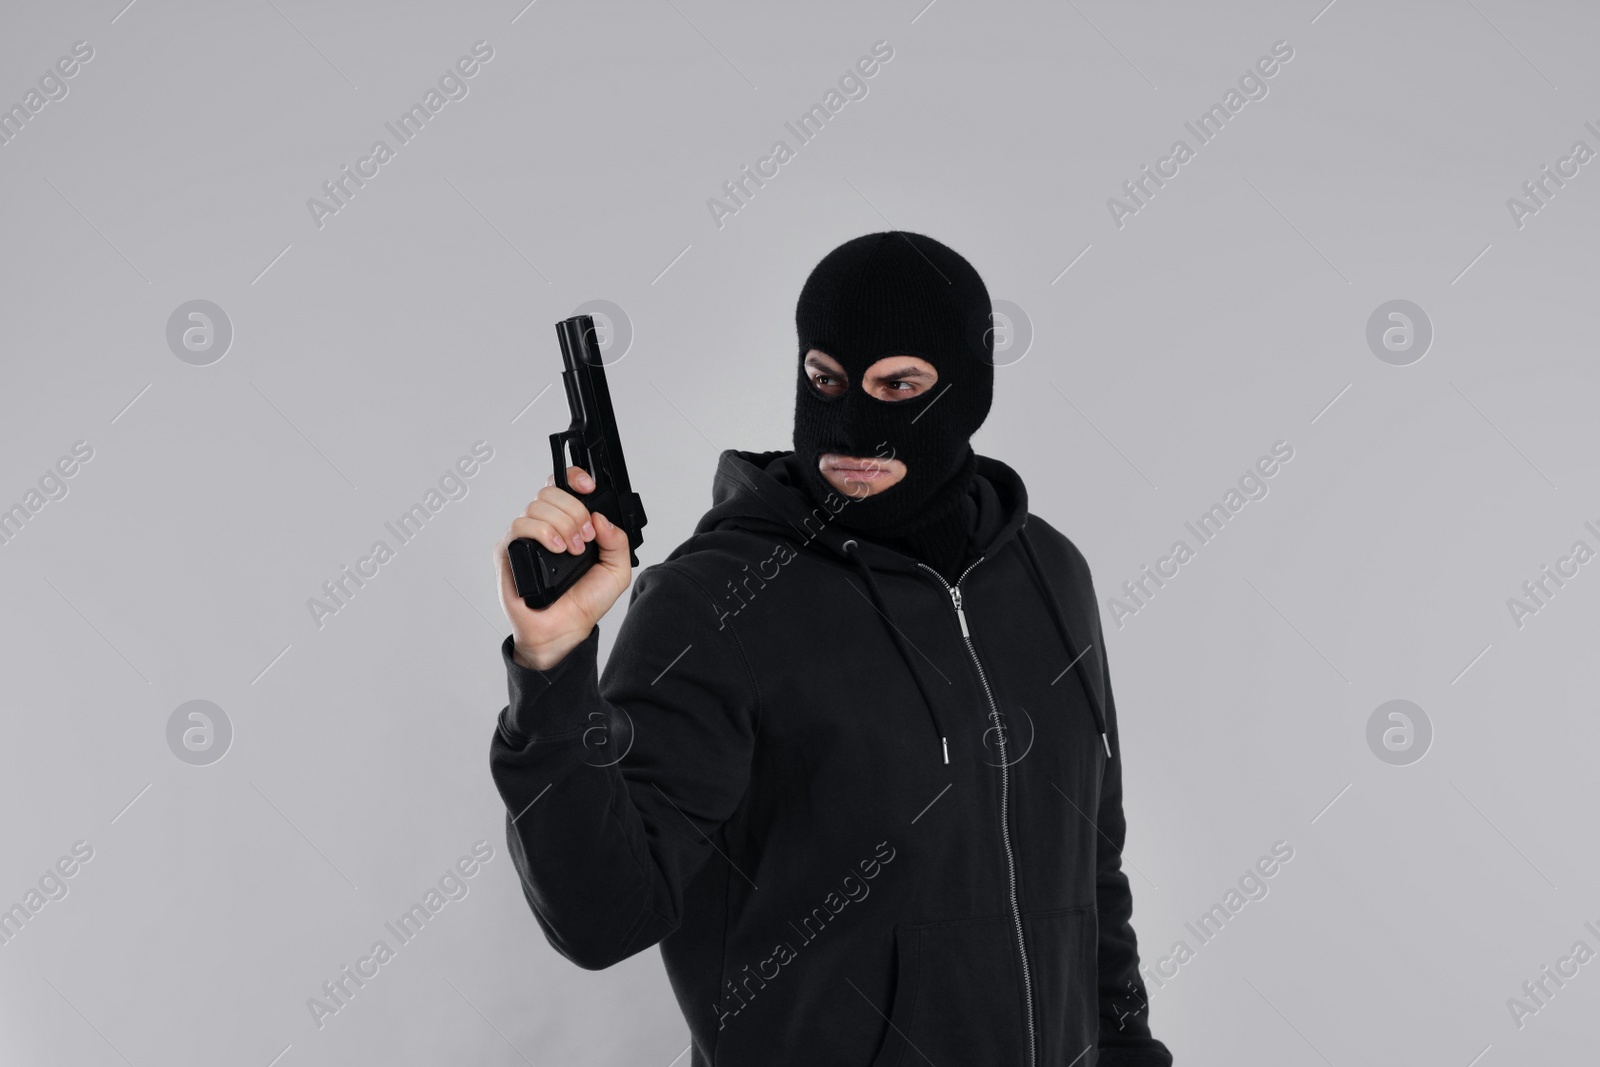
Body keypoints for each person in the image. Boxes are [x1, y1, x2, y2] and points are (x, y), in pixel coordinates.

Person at [489, 231, 1174, 1066]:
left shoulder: (1049, 573)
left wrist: (1132, 1051)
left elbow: (1092, 869)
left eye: (899, 386)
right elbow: (603, 917)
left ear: (968, 388)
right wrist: (552, 669)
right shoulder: (716, 599)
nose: (854, 427)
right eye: (827, 381)